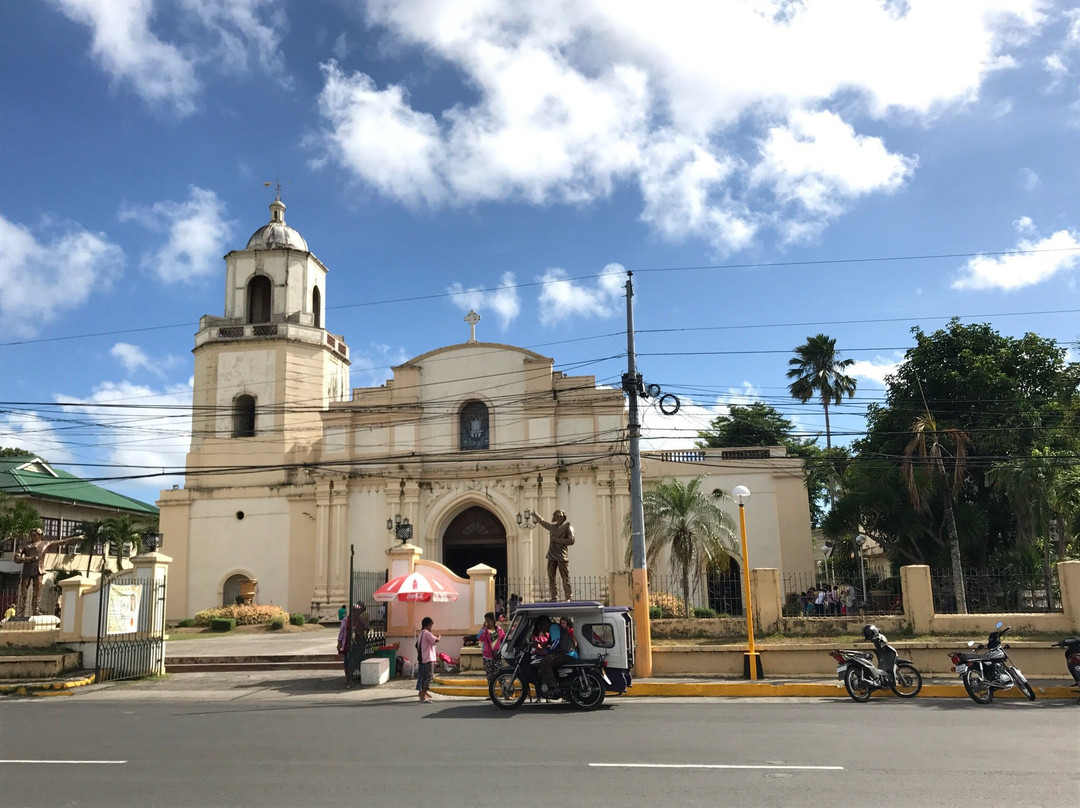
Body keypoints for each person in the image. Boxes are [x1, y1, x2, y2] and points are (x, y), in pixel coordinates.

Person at [14, 528, 77, 617]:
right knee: (23, 592)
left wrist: (76, 538)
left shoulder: (45, 544)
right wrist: (29, 559)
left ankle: (35, 610)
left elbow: (62, 542)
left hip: (39, 571)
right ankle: (21, 611)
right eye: (31, 535)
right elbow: (16, 558)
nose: (32, 537)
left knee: (37, 592)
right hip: (27, 571)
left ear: (40, 536)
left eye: (35, 535)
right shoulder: (25, 545)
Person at [534, 509, 575, 601]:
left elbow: (571, 541)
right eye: (557, 517)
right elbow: (543, 522)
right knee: (551, 577)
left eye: (561, 517)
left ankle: (568, 596)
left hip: (562, 555)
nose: (559, 518)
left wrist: (558, 540)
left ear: (564, 517)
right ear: (555, 518)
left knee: (565, 577)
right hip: (552, 555)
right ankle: (554, 596)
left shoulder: (568, 528)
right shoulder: (552, 527)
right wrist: (535, 515)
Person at [535, 615, 577, 695]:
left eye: (541, 627)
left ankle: (553, 687)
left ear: (545, 623)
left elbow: (556, 642)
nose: (542, 630)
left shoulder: (553, 627)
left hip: (566, 653)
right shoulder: (555, 627)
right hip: (567, 652)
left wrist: (547, 652)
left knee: (545, 662)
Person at [336, 603, 369, 687]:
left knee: (352, 661)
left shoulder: (359, 620)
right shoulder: (346, 620)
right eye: (357, 611)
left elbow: (366, 628)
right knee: (346, 661)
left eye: (359, 611)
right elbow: (341, 632)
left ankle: (350, 678)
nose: (358, 613)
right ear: (353, 611)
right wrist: (339, 642)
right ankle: (348, 678)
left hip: (356, 644)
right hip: (346, 643)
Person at [416, 616, 440, 703]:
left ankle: (422, 693)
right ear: (428, 625)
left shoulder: (421, 634)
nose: (431, 628)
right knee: (429, 677)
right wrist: (439, 637)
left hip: (423, 658)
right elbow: (435, 640)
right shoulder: (427, 633)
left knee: (424, 677)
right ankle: (423, 694)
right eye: (431, 626)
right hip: (428, 657)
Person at [478, 611, 505, 685]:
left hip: (496, 656)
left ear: (492, 621)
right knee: (490, 676)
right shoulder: (485, 631)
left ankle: (504, 690)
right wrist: (483, 628)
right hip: (487, 657)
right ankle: (492, 690)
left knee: (500, 675)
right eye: (485, 621)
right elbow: (480, 638)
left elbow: (503, 639)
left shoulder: (499, 630)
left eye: (488, 621)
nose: (486, 623)